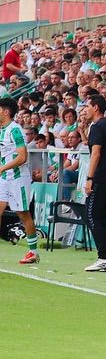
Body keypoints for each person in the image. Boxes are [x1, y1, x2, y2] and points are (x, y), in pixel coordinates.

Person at [82, 92, 106, 273]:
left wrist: (90, 178)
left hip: (101, 178)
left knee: (91, 215)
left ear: (96, 107)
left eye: (87, 106)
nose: (85, 110)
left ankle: (103, 258)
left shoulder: (97, 126)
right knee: (101, 217)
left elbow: (96, 153)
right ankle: (104, 257)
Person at [0, 97, 36, 263]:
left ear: (6, 111)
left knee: (23, 214)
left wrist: (2, 168)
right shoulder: (2, 129)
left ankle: (33, 253)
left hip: (17, 178)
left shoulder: (15, 130)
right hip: (4, 178)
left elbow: (22, 157)